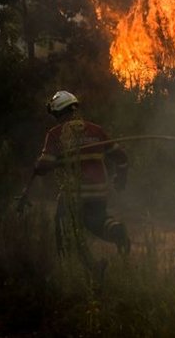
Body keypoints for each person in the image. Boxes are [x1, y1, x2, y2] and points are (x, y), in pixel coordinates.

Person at [34, 90, 131, 258]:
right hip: (99, 192)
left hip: (73, 193)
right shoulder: (96, 130)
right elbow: (121, 157)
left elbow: (43, 167)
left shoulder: (56, 134)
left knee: (65, 228)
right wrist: (121, 178)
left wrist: (41, 165)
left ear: (57, 112)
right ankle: (116, 230)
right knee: (98, 222)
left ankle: (85, 267)